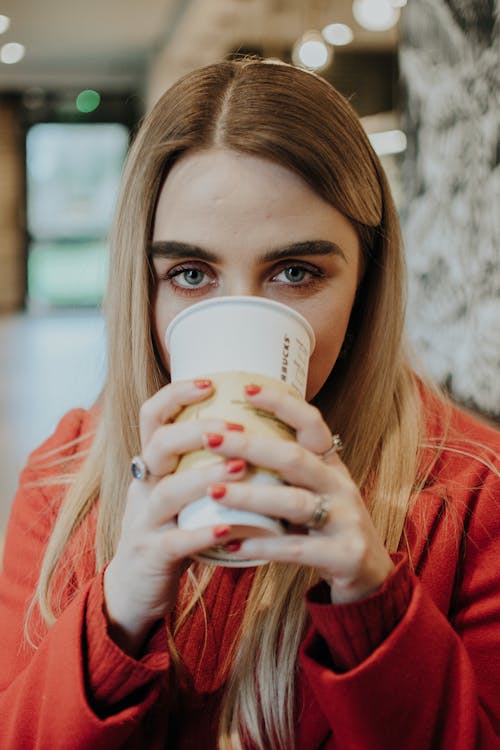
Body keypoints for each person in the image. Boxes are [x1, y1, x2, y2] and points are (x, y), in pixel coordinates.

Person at [0, 58, 499, 750]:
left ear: (368, 280)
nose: (241, 316)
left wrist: (372, 603)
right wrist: (118, 613)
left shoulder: (472, 491)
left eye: (296, 272)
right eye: (191, 273)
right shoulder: (66, 479)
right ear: (142, 286)